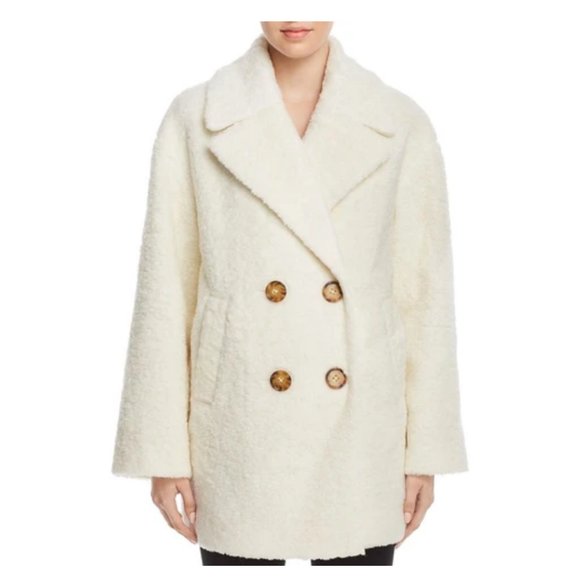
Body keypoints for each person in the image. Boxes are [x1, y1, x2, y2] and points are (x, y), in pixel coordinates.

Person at [111, 21, 469, 566]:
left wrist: (425, 451)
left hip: (362, 425)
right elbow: (165, 290)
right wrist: (161, 453)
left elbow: (424, 298)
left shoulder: (398, 122)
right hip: (239, 424)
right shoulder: (197, 116)